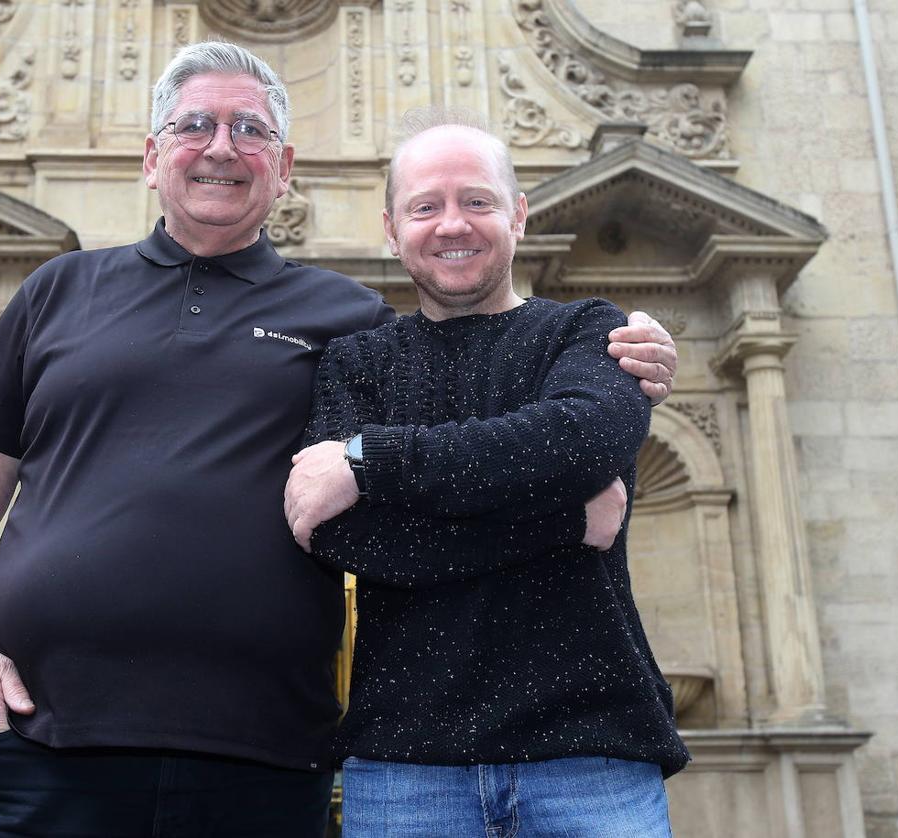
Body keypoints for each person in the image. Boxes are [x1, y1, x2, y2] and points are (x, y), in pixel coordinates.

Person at [0, 43, 678, 837]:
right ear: (152, 157)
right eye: (195, 125)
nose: (220, 146)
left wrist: (627, 362)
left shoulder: (349, 324)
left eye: (249, 129)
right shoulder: (56, 291)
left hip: (262, 755)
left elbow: (483, 452)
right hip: (40, 732)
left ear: (283, 168)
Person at [283, 109, 689, 837]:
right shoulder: (356, 364)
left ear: (519, 215)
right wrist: (565, 517)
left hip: (591, 754)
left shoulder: (588, 331)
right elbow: (343, 537)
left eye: (476, 201)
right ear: (391, 227)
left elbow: (580, 440)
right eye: (425, 207)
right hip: (405, 765)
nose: (452, 225)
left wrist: (371, 460)